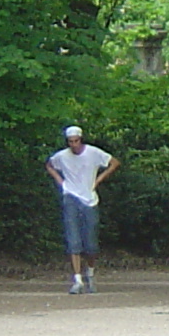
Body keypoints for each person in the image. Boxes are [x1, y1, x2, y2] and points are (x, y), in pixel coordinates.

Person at [46, 125, 119, 295]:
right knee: (73, 239)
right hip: (70, 196)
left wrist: (98, 180)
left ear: (81, 139)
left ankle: (90, 274)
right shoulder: (62, 156)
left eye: (76, 141)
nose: (73, 145)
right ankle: (77, 279)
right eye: (70, 142)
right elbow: (49, 165)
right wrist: (60, 182)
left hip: (89, 199)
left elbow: (114, 163)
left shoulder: (93, 153)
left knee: (91, 242)